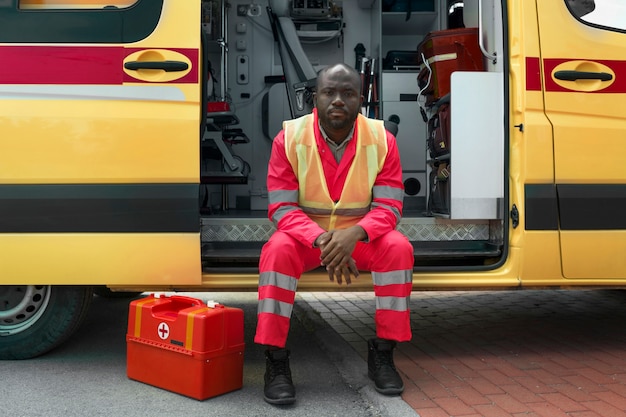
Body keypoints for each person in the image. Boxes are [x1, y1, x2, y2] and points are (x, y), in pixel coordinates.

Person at [254, 63, 414, 405]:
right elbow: (281, 208)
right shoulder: (290, 138)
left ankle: (384, 353)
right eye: (329, 92)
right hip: (308, 241)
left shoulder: (383, 140)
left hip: (359, 240)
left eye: (347, 93)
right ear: (315, 98)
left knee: (398, 248)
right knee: (276, 250)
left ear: (361, 99)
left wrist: (354, 234)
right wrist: (323, 239)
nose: (338, 100)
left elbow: (390, 207)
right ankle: (276, 360)